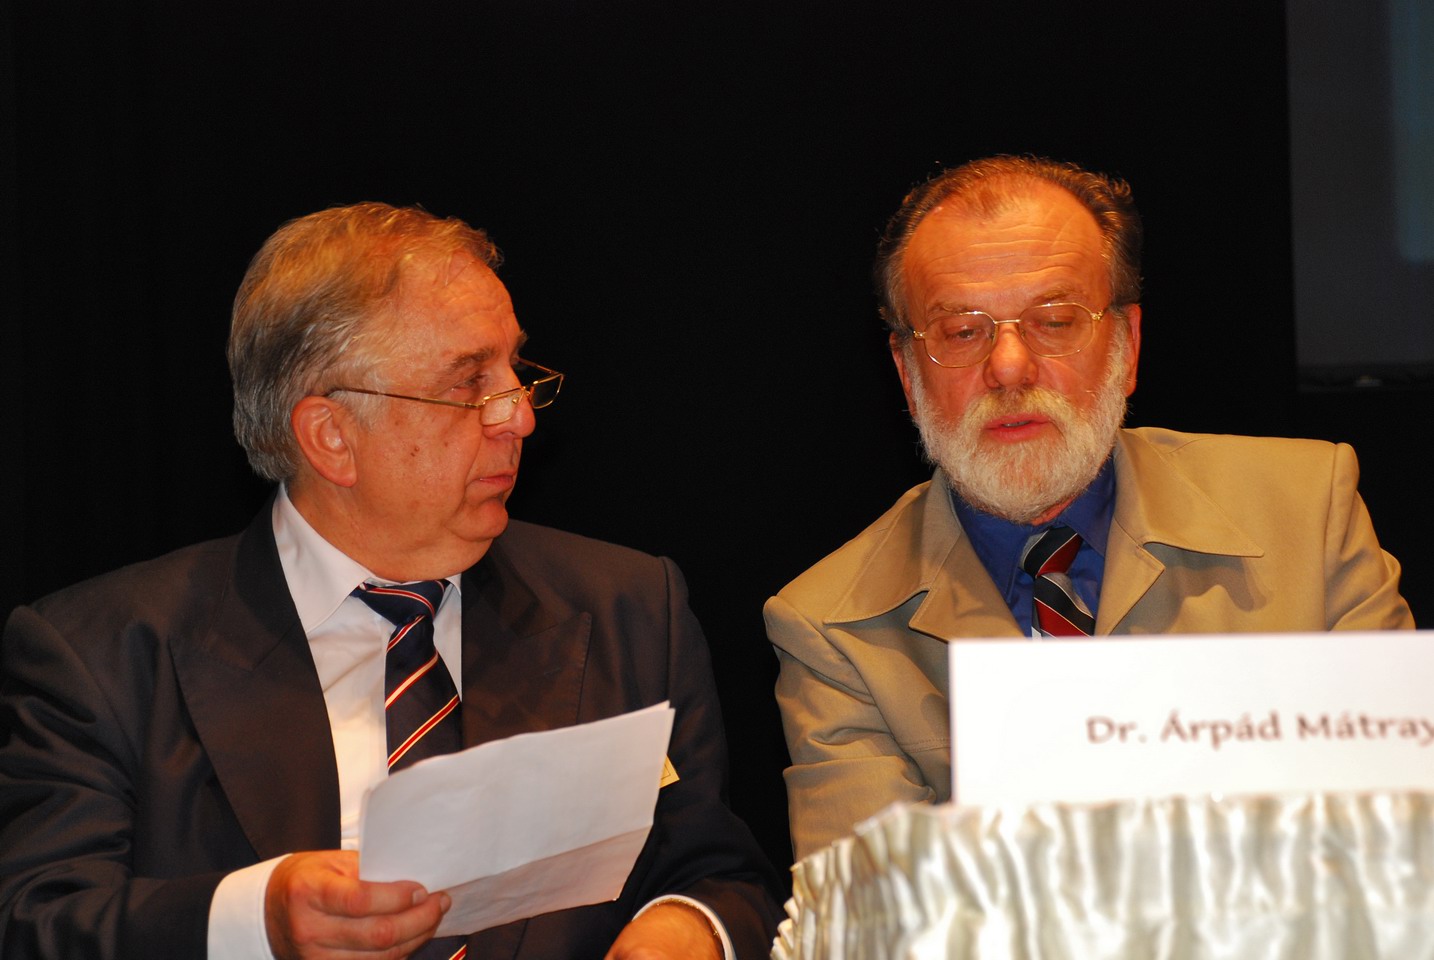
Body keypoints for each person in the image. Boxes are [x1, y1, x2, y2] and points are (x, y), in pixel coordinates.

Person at [0, 203, 781, 959]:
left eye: (515, 368)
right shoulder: (102, 657)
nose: (520, 416)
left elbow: (719, 876)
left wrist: (682, 934)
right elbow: (36, 923)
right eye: (470, 383)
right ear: (331, 438)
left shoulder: (629, 610)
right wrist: (260, 924)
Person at [765, 155, 1415, 860]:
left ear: (1127, 346)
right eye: (962, 331)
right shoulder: (830, 628)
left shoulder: (1305, 510)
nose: (1008, 366)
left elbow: (1400, 834)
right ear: (907, 371)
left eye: (1053, 320)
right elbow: (878, 909)